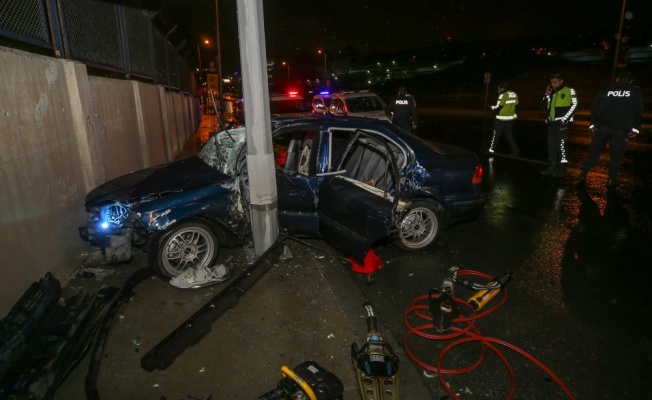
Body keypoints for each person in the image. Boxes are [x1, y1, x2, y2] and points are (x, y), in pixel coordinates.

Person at [578, 69, 643, 188]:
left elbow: (594, 106)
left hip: (602, 128)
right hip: (621, 131)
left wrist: (593, 123)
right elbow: (638, 111)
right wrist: (636, 128)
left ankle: (583, 174)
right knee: (616, 156)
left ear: (617, 79)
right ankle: (611, 179)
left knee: (593, 153)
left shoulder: (606, 90)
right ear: (631, 81)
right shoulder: (634, 91)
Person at [540, 72, 578, 177]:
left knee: (560, 146)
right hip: (552, 124)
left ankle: (562, 168)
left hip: (561, 124)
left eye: (555, 82)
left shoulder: (569, 91)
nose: (553, 84)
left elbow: (575, 105)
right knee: (551, 146)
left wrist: (565, 119)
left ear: (561, 81)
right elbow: (543, 106)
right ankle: (552, 166)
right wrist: (546, 94)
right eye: (551, 82)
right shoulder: (552, 93)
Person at [489, 81, 519, 156]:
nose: (498, 90)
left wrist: (492, 107)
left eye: (499, 88)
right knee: (509, 135)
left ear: (503, 88)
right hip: (510, 119)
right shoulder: (514, 94)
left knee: (496, 135)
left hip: (501, 119)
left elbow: (499, 107)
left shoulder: (502, 95)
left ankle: (492, 150)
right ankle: (515, 150)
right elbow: (516, 104)